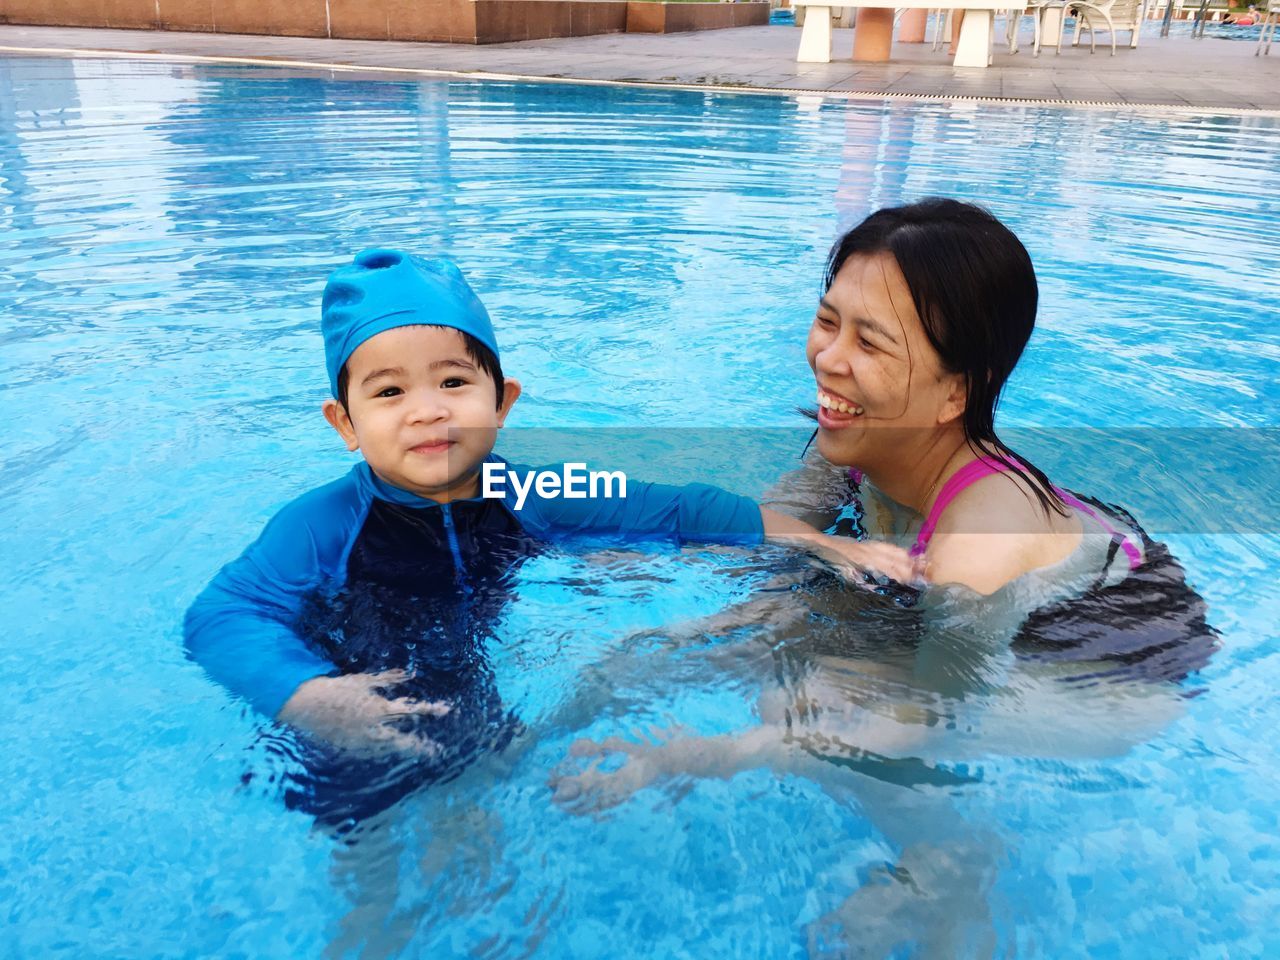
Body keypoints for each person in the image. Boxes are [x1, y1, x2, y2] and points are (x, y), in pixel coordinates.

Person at [183, 247, 916, 816]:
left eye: (453, 382)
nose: (428, 410)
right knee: (374, 880)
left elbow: (673, 511)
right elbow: (222, 615)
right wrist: (303, 695)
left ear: (501, 402)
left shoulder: (530, 492)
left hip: (467, 699)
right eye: (389, 392)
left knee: (480, 834)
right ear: (344, 423)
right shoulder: (321, 527)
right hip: (347, 712)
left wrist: (820, 540)